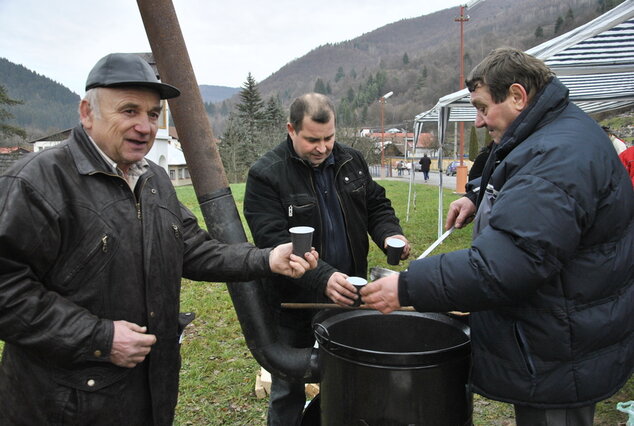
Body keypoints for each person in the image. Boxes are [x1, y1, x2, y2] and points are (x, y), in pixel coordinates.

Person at [0, 53, 318, 426]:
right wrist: (98, 336)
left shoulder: (153, 179)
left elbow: (193, 250)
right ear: (87, 112)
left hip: (149, 392)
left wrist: (265, 259)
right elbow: (7, 290)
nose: (145, 126)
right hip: (63, 404)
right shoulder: (38, 183)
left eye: (153, 114)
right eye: (129, 111)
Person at [362, 48, 633, 426]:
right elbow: (521, 186)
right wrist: (477, 197)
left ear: (518, 96)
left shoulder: (560, 156)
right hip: (561, 330)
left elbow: (507, 263)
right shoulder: (552, 132)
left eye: (483, 107)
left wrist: (407, 287)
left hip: (562, 348)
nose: (477, 122)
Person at [243, 92, 410, 425]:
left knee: (350, 381)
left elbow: (375, 204)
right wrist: (322, 279)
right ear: (291, 130)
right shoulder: (266, 174)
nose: (322, 147)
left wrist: (390, 233)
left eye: (329, 138)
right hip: (292, 306)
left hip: (349, 296)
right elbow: (273, 241)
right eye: (312, 140)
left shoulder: (352, 160)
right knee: (288, 387)